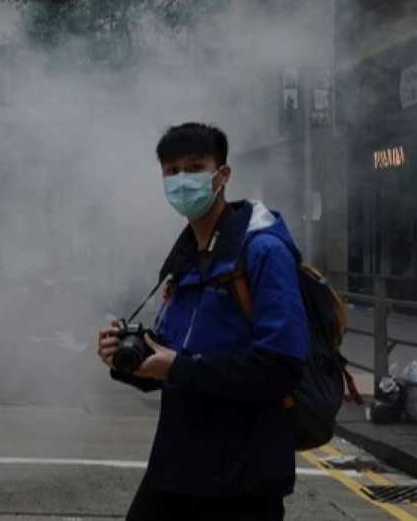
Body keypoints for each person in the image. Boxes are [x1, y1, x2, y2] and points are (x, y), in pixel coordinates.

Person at [97, 123, 309, 521]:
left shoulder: (263, 251)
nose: (182, 180)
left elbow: (281, 367)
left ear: (222, 175)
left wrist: (178, 367)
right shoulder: (188, 256)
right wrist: (128, 359)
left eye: (195, 168)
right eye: (172, 171)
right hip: (178, 468)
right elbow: (175, 356)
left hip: (243, 479)